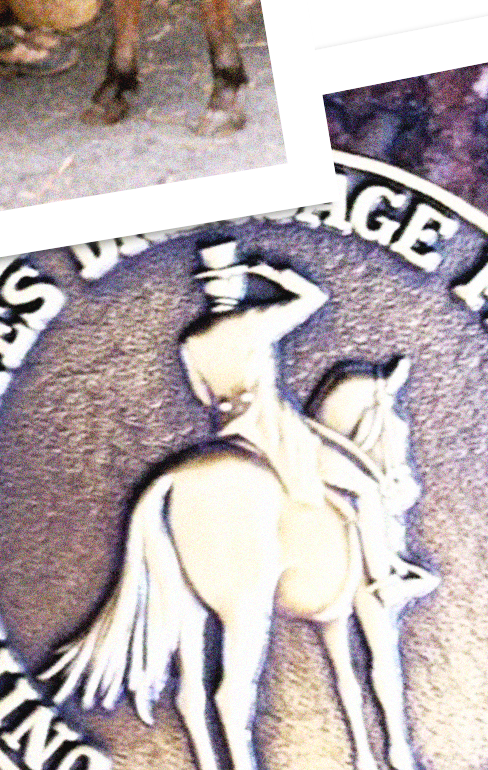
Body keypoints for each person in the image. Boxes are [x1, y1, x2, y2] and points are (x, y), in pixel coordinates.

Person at [181, 242, 431, 602]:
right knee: (366, 487)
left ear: (208, 288)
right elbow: (314, 297)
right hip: (277, 433)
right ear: (237, 285)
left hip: (228, 432)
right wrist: (271, 273)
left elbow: (203, 395)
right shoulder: (254, 321)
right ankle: (386, 580)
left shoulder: (191, 339)